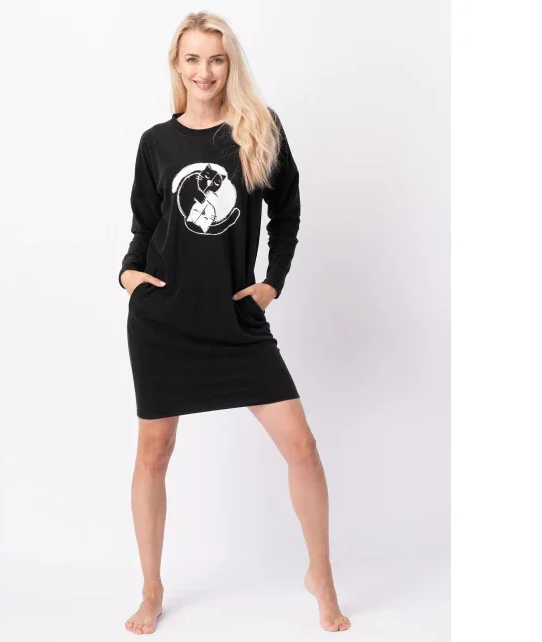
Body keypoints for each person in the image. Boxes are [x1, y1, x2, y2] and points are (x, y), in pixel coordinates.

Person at [119, 11, 351, 635]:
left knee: (301, 446)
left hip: (235, 321)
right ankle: (151, 588)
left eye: (216, 59)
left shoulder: (258, 128)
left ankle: (322, 576)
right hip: (163, 323)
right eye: (193, 59)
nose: (205, 71)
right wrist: (128, 275)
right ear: (177, 65)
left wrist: (272, 283)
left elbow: (287, 213)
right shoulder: (156, 142)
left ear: (231, 64)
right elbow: (144, 225)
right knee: (154, 454)